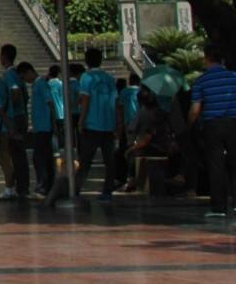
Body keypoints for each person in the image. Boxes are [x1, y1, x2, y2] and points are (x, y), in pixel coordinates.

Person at [189, 42, 236, 220]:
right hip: (233, 123)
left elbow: (195, 109)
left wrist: (191, 124)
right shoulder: (235, 77)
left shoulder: (201, 81)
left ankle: (219, 207)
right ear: (222, 59)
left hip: (212, 125)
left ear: (207, 59)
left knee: (216, 165)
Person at [74, 45, 122, 201]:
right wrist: (117, 124)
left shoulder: (86, 78)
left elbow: (86, 101)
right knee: (109, 161)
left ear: (87, 61)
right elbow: (115, 102)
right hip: (108, 125)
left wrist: (81, 121)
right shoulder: (109, 79)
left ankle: (76, 188)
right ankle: (107, 191)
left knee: (86, 160)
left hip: (92, 124)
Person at [0, 43, 28, 200]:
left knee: (16, 154)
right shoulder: (18, 74)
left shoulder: (10, 74)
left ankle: (19, 188)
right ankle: (20, 187)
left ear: (3, 57)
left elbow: (16, 92)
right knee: (18, 154)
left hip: (14, 118)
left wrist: (11, 104)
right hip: (20, 116)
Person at [124, 86, 178, 196]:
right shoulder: (158, 111)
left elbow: (147, 138)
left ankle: (132, 179)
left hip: (159, 146)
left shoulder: (152, 114)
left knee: (132, 154)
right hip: (163, 144)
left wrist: (132, 147)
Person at [26, 61, 60, 196]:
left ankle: (44, 184)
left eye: (24, 77)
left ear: (29, 72)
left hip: (44, 127)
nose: (25, 80)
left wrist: (54, 122)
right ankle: (47, 184)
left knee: (40, 157)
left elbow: (50, 103)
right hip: (40, 126)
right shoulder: (37, 84)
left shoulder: (40, 84)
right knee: (44, 156)